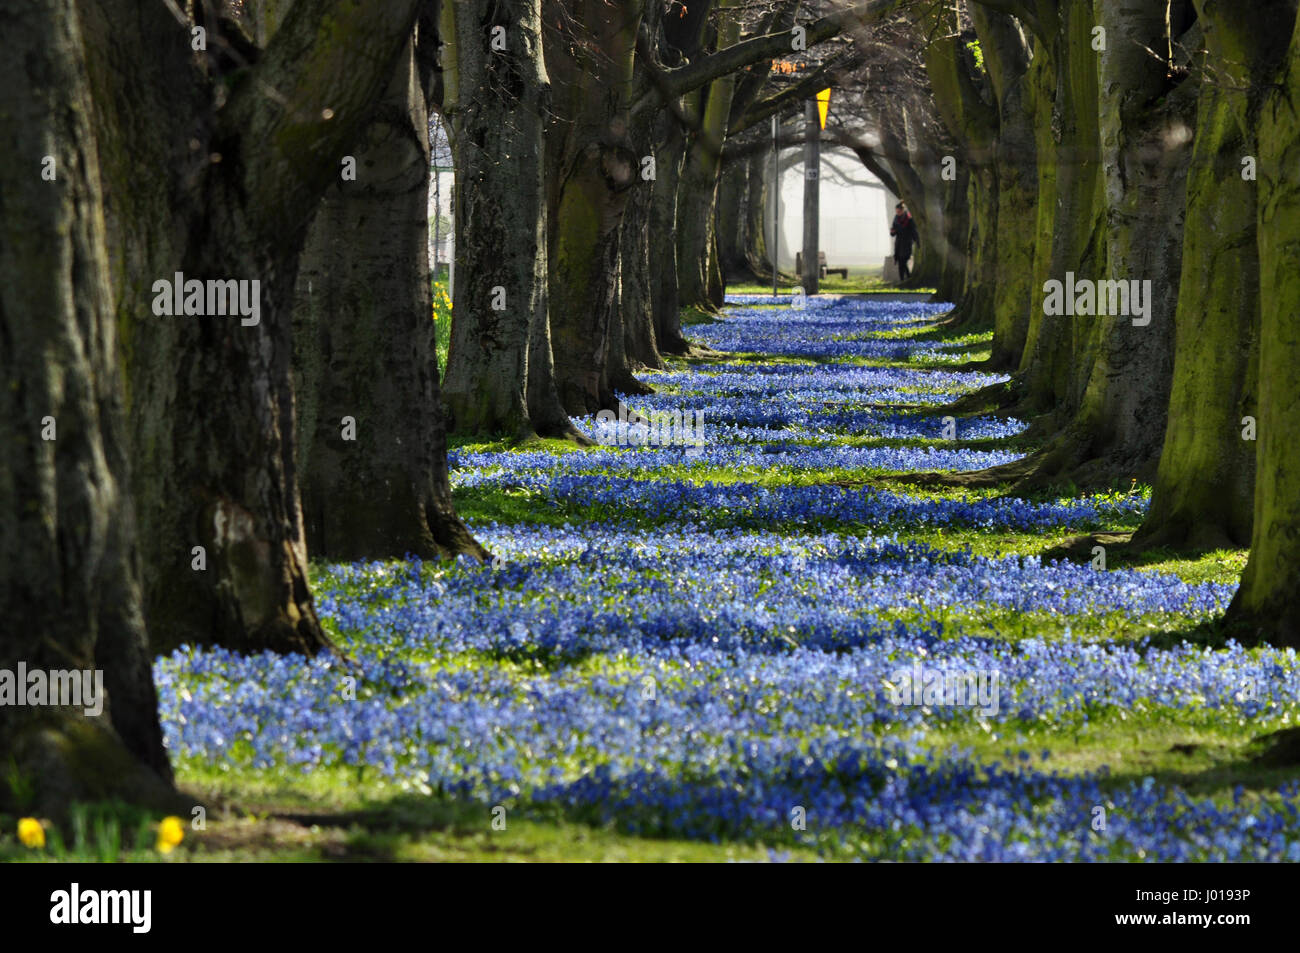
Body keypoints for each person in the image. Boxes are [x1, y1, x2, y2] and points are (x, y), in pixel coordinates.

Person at [889, 201, 919, 282]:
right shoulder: (896, 218)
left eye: (899, 211)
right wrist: (892, 232)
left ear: (903, 210)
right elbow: (893, 230)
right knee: (900, 261)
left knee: (903, 260)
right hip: (899, 243)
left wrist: (917, 241)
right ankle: (903, 279)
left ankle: (907, 278)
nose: (897, 213)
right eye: (896, 211)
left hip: (907, 242)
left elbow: (914, 230)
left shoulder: (909, 218)